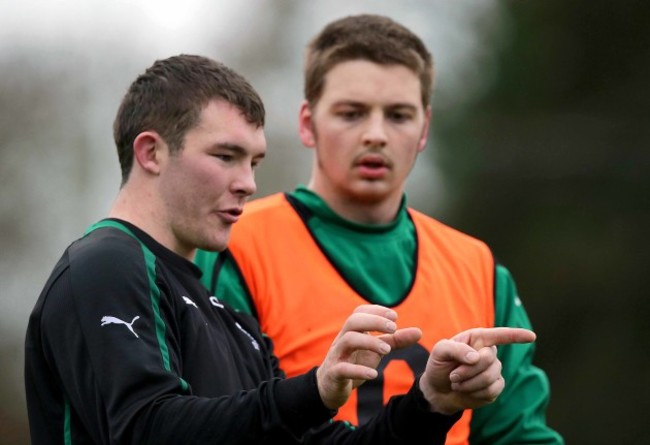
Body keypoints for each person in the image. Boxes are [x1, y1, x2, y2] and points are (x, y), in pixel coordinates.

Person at [24, 54, 536, 445]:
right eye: (226, 156)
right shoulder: (106, 264)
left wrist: (431, 403)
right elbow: (147, 428)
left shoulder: (227, 317)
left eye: (255, 162)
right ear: (151, 152)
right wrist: (310, 392)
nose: (247, 183)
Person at [193, 14, 564, 445]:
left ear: (424, 128)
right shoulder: (235, 245)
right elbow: (223, 425)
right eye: (351, 113)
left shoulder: (477, 267)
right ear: (307, 123)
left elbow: (520, 434)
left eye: (398, 116)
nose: (375, 134)